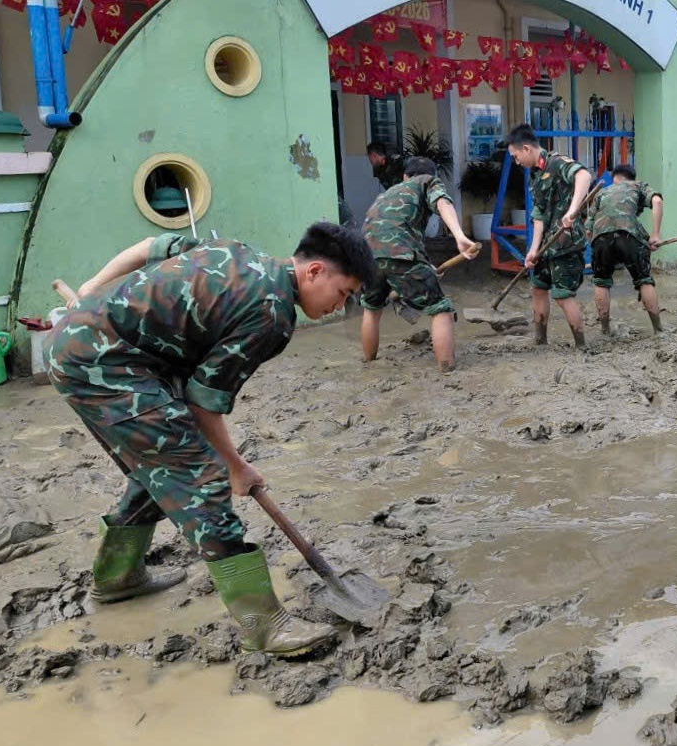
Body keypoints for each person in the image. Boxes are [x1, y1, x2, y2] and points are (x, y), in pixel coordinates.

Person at [47, 224, 377, 654]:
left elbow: (149, 245)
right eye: (344, 293)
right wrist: (235, 467)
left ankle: (117, 578)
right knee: (199, 478)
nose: (341, 306)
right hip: (106, 367)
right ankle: (264, 626)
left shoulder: (235, 250)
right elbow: (203, 404)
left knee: (159, 466)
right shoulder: (272, 315)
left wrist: (92, 287)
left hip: (83, 347)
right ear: (314, 271)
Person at [359, 156, 478, 371]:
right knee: (440, 308)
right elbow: (442, 202)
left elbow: (398, 230)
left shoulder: (386, 194)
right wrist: (459, 236)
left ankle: (368, 362)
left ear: (405, 176)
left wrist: (426, 266)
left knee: (371, 307)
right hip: (400, 253)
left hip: (367, 256)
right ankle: (447, 369)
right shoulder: (427, 181)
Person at [506, 123, 593, 348]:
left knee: (562, 295)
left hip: (565, 242)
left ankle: (581, 346)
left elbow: (584, 176)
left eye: (516, 156)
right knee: (538, 288)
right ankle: (540, 340)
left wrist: (572, 211)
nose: (517, 162)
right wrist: (533, 250)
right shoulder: (534, 175)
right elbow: (539, 215)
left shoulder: (556, 162)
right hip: (547, 244)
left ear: (526, 148)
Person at [584, 164, 664, 334]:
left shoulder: (601, 192)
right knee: (644, 280)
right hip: (628, 235)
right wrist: (655, 235)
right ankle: (658, 330)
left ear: (614, 178)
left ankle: (605, 331)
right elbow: (657, 201)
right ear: (632, 177)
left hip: (601, 238)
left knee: (601, 281)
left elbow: (588, 230)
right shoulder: (637, 185)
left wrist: (598, 252)